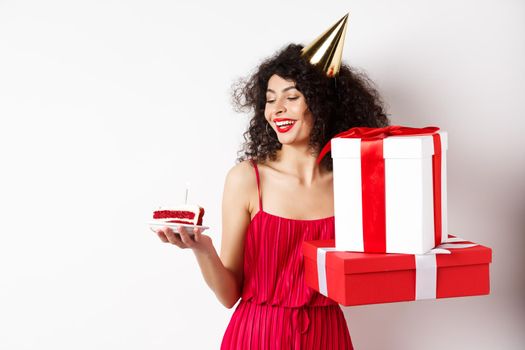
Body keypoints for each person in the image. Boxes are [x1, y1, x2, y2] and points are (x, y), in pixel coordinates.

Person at [154, 31, 388, 349]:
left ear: (321, 103)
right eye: (270, 99)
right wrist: (203, 248)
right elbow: (228, 295)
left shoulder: (353, 183)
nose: (277, 109)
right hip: (258, 336)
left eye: (291, 97)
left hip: (328, 336)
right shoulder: (247, 179)